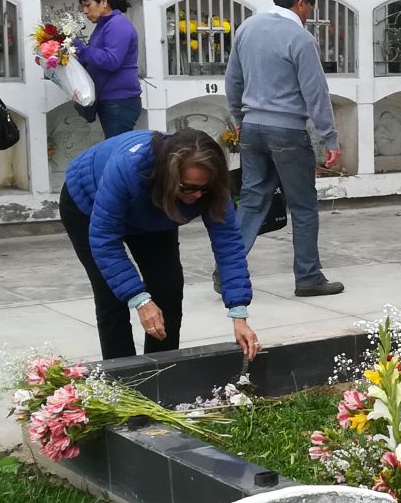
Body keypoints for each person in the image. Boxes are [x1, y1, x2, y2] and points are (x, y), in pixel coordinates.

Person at [60, 128, 260, 361]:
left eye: (204, 188)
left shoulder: (210, 185)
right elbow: (104, 240)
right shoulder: (128, 168)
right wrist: (140, 300)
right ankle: (122, 380)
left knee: (168, 287)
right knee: (112, 294)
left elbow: (229, 244)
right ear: (170, 176)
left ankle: (161, 371)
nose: (197, 196)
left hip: (155, 209)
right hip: (87, 203)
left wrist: (238, 313)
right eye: (188, 188)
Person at [226, 0, 343, 297]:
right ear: (303, 3)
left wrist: (239, 116)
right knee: (303, 206)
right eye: (314, 4)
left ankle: (228, 270)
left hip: (252, 129)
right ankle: (308, 277)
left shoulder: (247, 28)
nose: (312, 11)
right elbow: (315, 92)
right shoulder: (300, 38)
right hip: (287, 132)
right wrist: (329, 137)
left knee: (251, 200)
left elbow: (233, 79)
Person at [74, 0, 142, 138]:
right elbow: (92, 59)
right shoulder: (103, 26)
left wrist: (80, 48)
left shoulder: (118, 24)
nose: (85, 11)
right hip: (111, 100)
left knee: (116, 153)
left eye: (87, 5)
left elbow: (111, 60)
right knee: (114, 151)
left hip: (120, 101)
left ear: (103, 2)